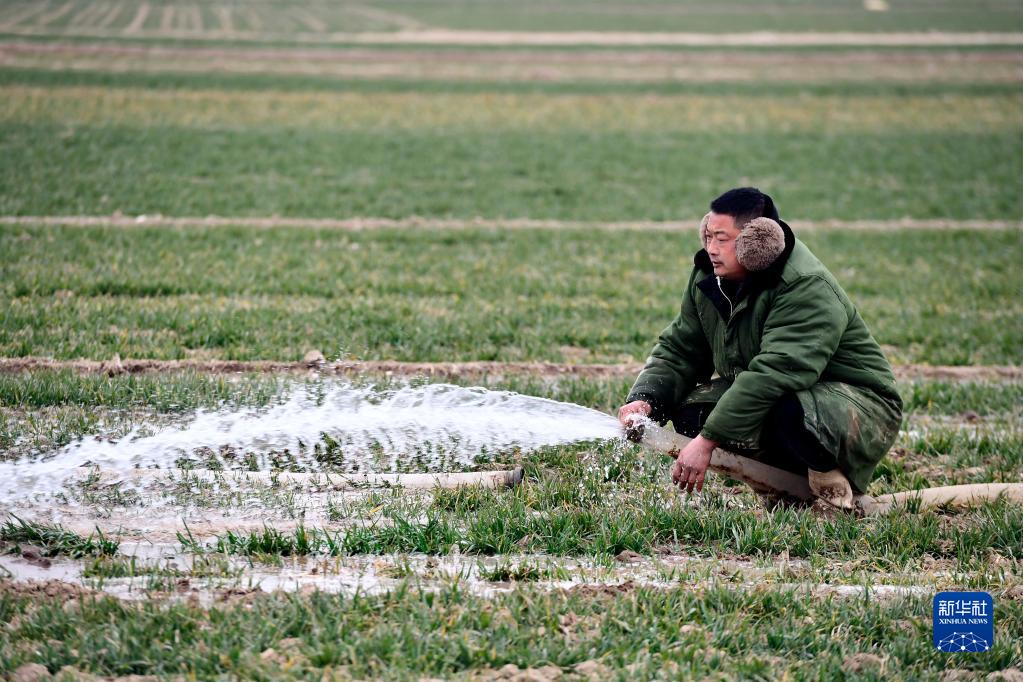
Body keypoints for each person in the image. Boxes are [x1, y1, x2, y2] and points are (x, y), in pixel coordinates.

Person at [617, 187, 902, 510]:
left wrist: (707, 441)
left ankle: (830, 486)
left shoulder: (806, 285)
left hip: (860, 407)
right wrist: (646, 399)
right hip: (790, 395)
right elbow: (680, 349)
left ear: (758, 242)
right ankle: (781, 486)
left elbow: (775, 373)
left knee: (789, 411)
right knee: (693, 411)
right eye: (708, 236)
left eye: (722, 239)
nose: (711, 249)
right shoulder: (709, 278)